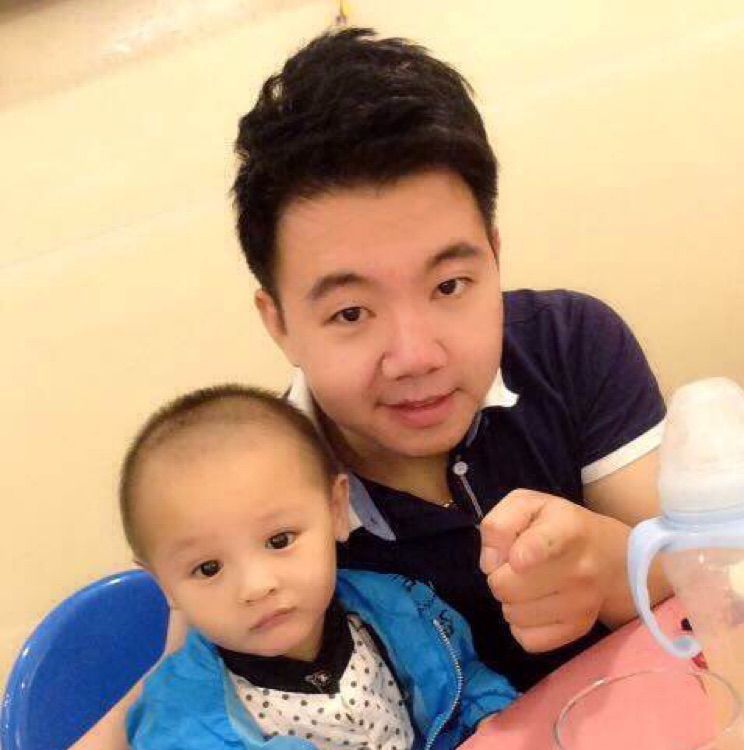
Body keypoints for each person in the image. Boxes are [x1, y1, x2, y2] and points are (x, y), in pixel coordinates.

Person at [72, 26, 670, 750]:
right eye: (351, 313)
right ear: (279, 322)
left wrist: (613, 567)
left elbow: (702, 571)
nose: (415, 357)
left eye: (450, 285)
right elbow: (182, 687)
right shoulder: (263, 494)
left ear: (494, 255)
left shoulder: (571, 344)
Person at [122, 384, 517, 750]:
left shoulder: (401, 610)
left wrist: (490, 718)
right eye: (208, 568)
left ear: (337, 510)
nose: (256, 586)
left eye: (280, 541)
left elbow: (464, 682)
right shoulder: (178, 726)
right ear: (164, 585)